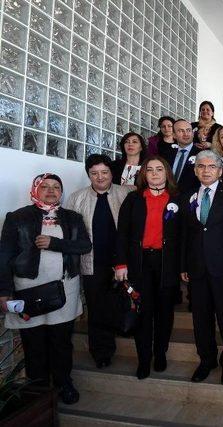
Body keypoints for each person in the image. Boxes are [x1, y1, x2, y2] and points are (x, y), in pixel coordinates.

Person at [0, 173, 92, 404]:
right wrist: (4, 291)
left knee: (61, 341)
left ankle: (63, 383)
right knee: (34, 344)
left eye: (56, 187)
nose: (51, 191)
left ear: (62, 192)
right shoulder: (17, 217)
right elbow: (4, 256)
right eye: (45, 187)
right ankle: (38, 390)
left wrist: (55, 244)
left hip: (65, 290)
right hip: (28, 290)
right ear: (35, 190)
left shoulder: (72, 217)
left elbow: (84, 245)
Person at [115, 156, 182, 380]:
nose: (154, 173)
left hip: (167, 264)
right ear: (143, 174)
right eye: (149, 170)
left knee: (165, 312)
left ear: (167, 173)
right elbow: (122, 233)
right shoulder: (133, 199)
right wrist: (121, 263)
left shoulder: (177, 198)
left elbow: (185, 237)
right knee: (143, 312)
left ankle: (160, 353)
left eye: (159, 169)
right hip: (139, 263)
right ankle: (143, 359)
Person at [64, 155, 132, 369]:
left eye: (104, 172)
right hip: (92, 262)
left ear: (112, 173)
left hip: (124, 261)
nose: (100, 177)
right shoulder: (76, 198)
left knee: (125, 301)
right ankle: (102, 351)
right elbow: (69, 233)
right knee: (97, 307)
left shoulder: (127, 193)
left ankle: (128, 334)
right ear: (88, 175)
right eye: (94, 173)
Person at [180, 150, 223, 384]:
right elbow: (184, 233)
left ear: (220, 170)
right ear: (195, 171)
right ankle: (206, 360)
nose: (206, 170)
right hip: (196, 267)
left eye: (211, 167)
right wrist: (183, 264)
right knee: (200, 318)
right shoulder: (187, 196)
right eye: (201, 167)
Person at [159, 119, 201, 194]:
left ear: (193, 133)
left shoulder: (202, 155)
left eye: (188, 130)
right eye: (181, 131)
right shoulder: (166, 153)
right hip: (166, 197)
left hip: (190, 200)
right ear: (174, 135)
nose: (186, 134)